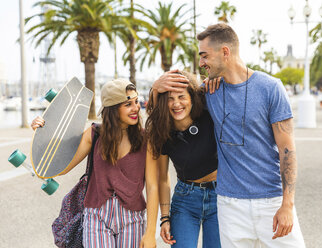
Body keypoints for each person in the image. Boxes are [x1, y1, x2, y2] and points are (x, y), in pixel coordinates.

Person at [153, 23, 305, 247]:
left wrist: (287, 204)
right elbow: (174, 106)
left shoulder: (271, 88)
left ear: (225, 52)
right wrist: (156, 88)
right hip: (229, 205)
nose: (201, 62)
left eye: (204, 56)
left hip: (270, 201)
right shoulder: (208, 92)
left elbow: (287, 151)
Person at [31, 79, 158, 248]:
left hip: (132, 219)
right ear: (112, 108)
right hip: (97, 216)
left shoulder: (145, 139)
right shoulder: (94, 135)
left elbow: (152, 186)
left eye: (136, 102)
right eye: (128, 104)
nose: (136, 108)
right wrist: (44, 131)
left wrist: (150, 233)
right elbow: (61, 167)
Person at [146, 71, 221, 248]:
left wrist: (218, 78)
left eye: (181, 96)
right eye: (170, 99)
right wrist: (164, 217)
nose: (176, 104)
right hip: (186, 200)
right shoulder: (162, 131)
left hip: (220, 196)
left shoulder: (208, 113)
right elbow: (162, 178)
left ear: (192, 97)